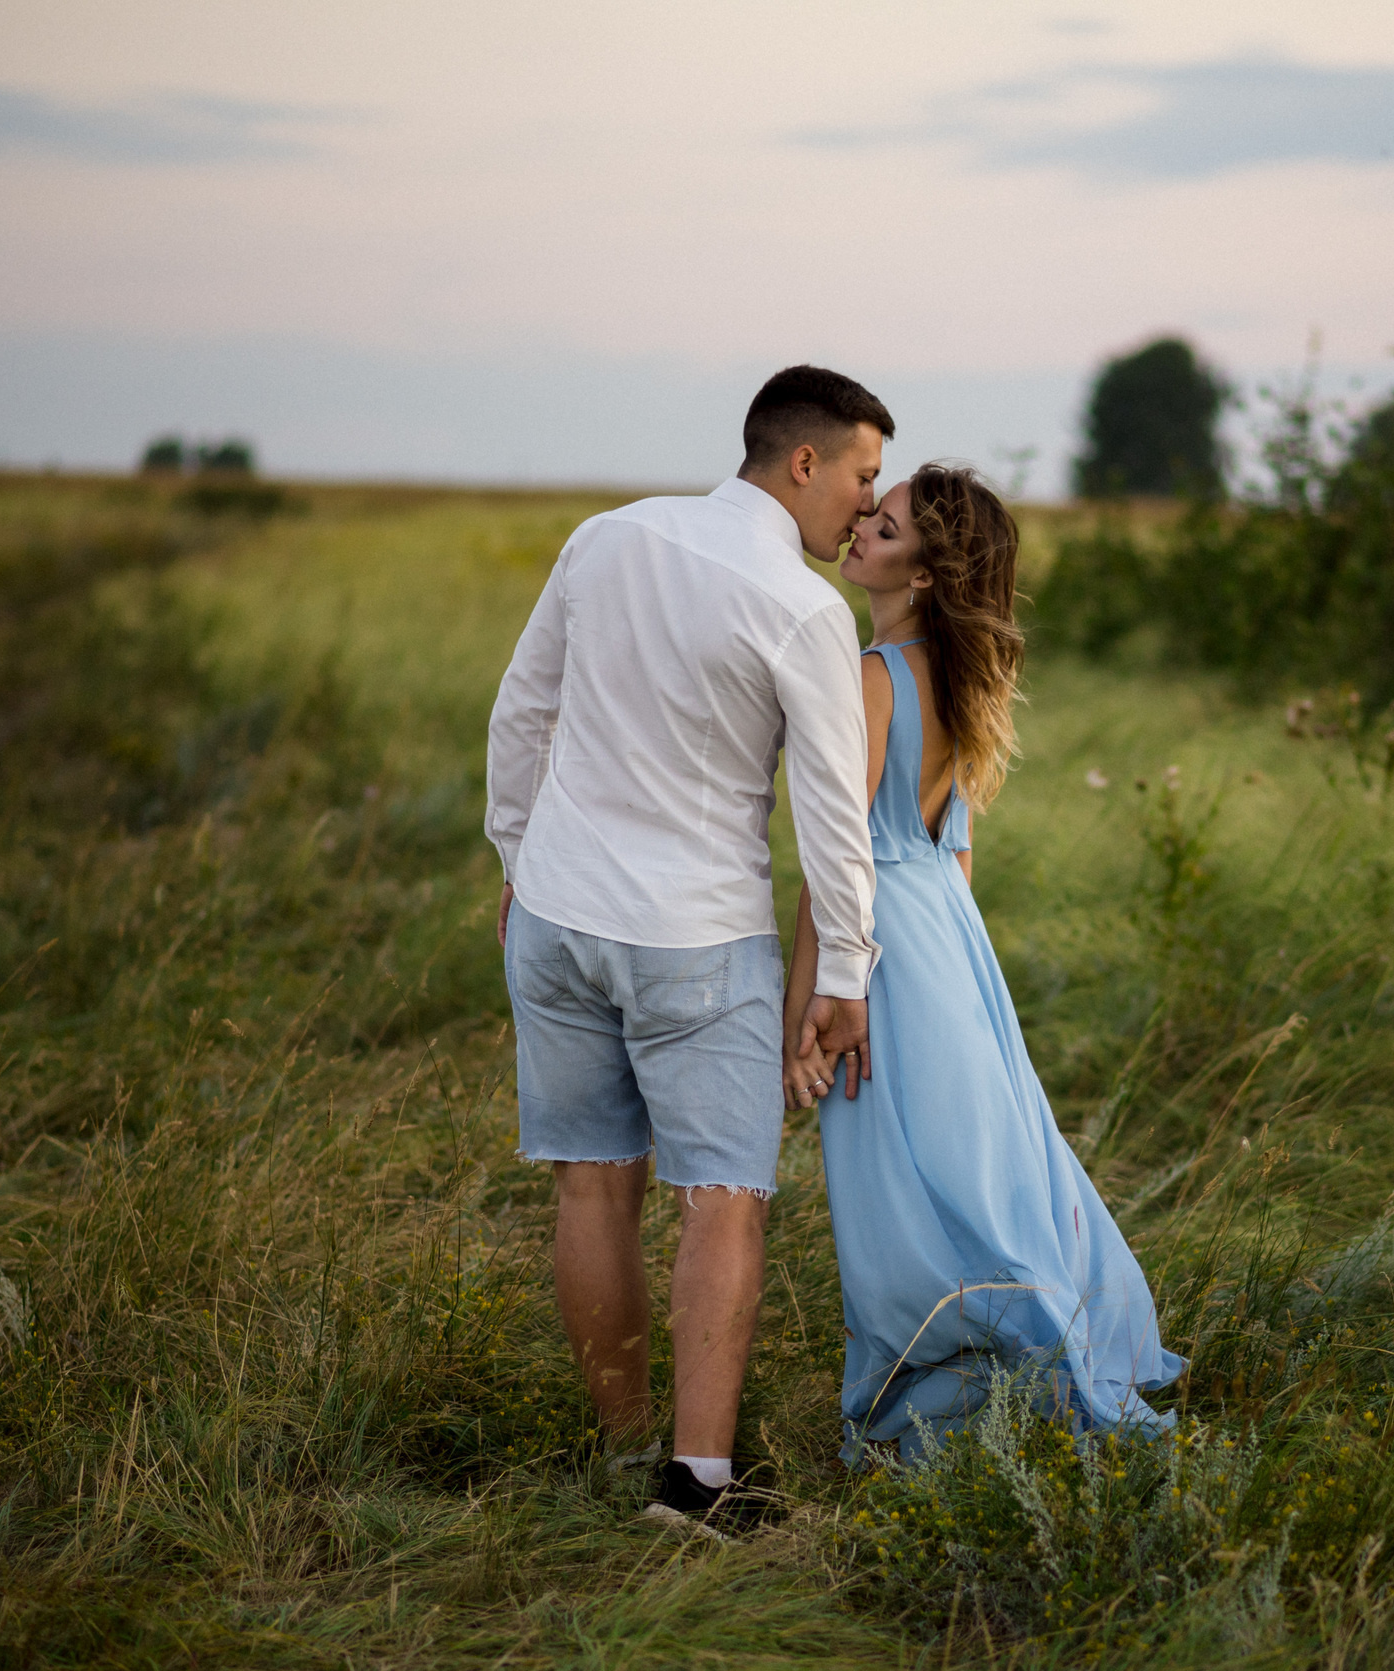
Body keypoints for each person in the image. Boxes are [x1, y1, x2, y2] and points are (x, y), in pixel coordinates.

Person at [486, 365, 890, 1537]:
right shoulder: (802, 607)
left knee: (590, 1182)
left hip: (556, 914)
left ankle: (623, 1450)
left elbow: (522, 711)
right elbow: (832, 817)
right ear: (803, 461)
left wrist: (517, 858)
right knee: (724, 1197)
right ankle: (695, 1483)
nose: (867, 506)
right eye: (862, 476)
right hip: (698, 938)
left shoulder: (606, 535)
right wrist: (846, 975)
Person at [783, 462, 1186, 1463]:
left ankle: (982, 1370)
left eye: (885, 527)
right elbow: (955, 849)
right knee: (971, 1154)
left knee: (901, 1174)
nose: (861, 528)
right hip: (947, 932)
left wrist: (808, 1003)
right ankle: (1016, 1347)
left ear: (925, 572)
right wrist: (963, 978)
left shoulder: (874, 676)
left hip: (879, 935)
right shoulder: (958, 676)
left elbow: (836, 855)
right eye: (872, 514)